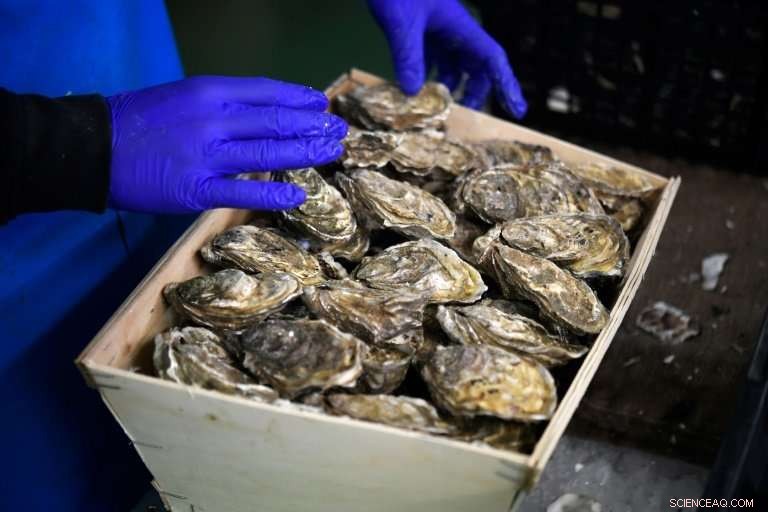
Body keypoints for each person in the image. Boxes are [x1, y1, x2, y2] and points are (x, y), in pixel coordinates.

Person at [0, 1, 525, 510]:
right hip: (22, 267)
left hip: (131, 75)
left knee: (217, 454)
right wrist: (65, 145)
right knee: (61, 459)